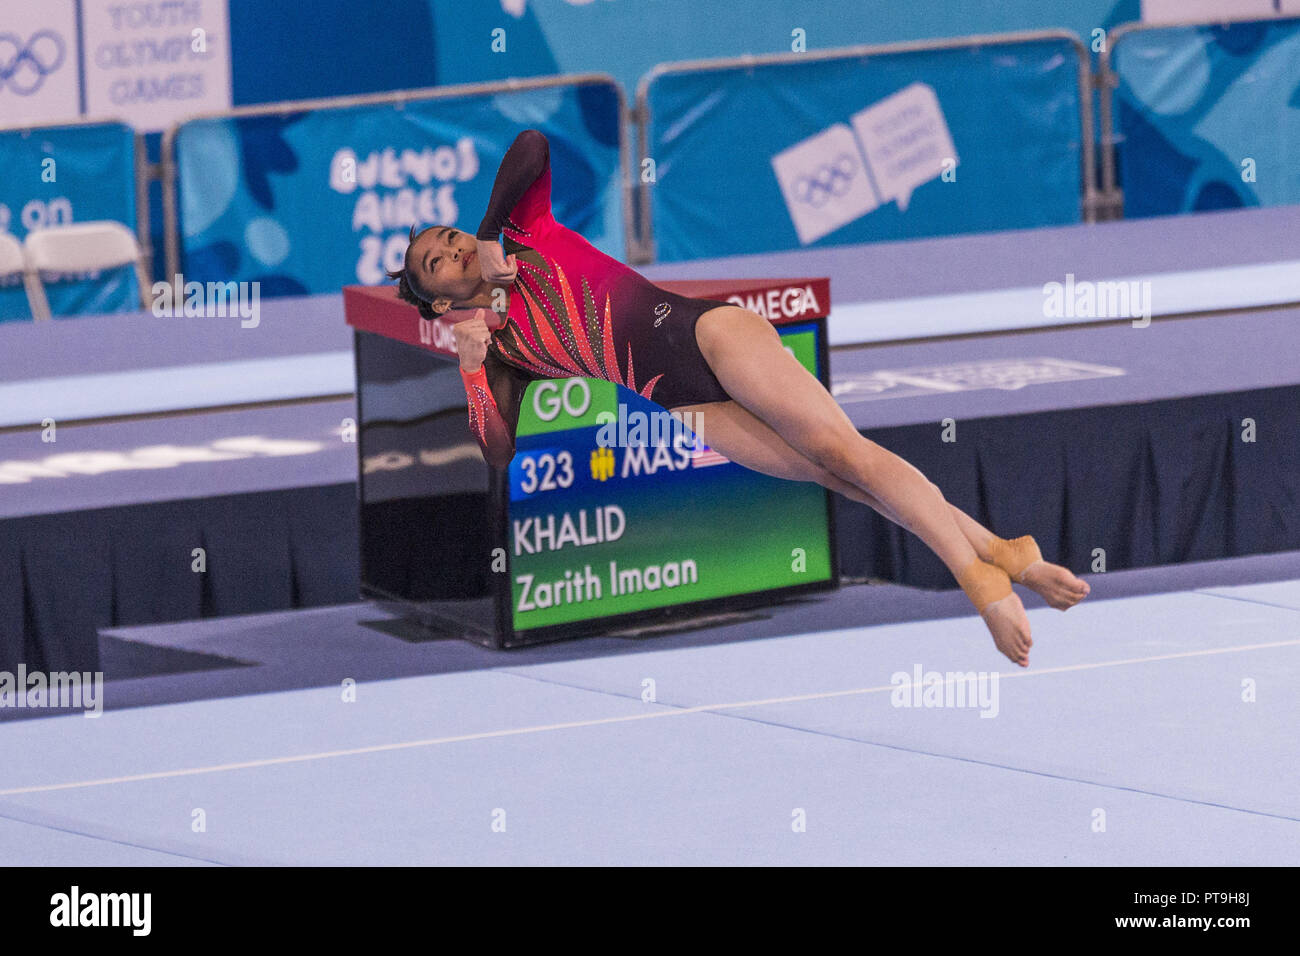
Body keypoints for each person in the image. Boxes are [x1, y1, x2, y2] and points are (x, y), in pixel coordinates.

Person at [388, 128, 1089, 666]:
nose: (447, 249)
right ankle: (1007, 551)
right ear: (436, 301)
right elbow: (499, 457)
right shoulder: (503, 354)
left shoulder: (522, 234)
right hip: (682, 402)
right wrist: (473, 375)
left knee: (839, 447)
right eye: (433, 261)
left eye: (446, 237)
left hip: (710, 334)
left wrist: (485, 234)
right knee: (835, 475)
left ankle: (978, 581)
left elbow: (532, 147)